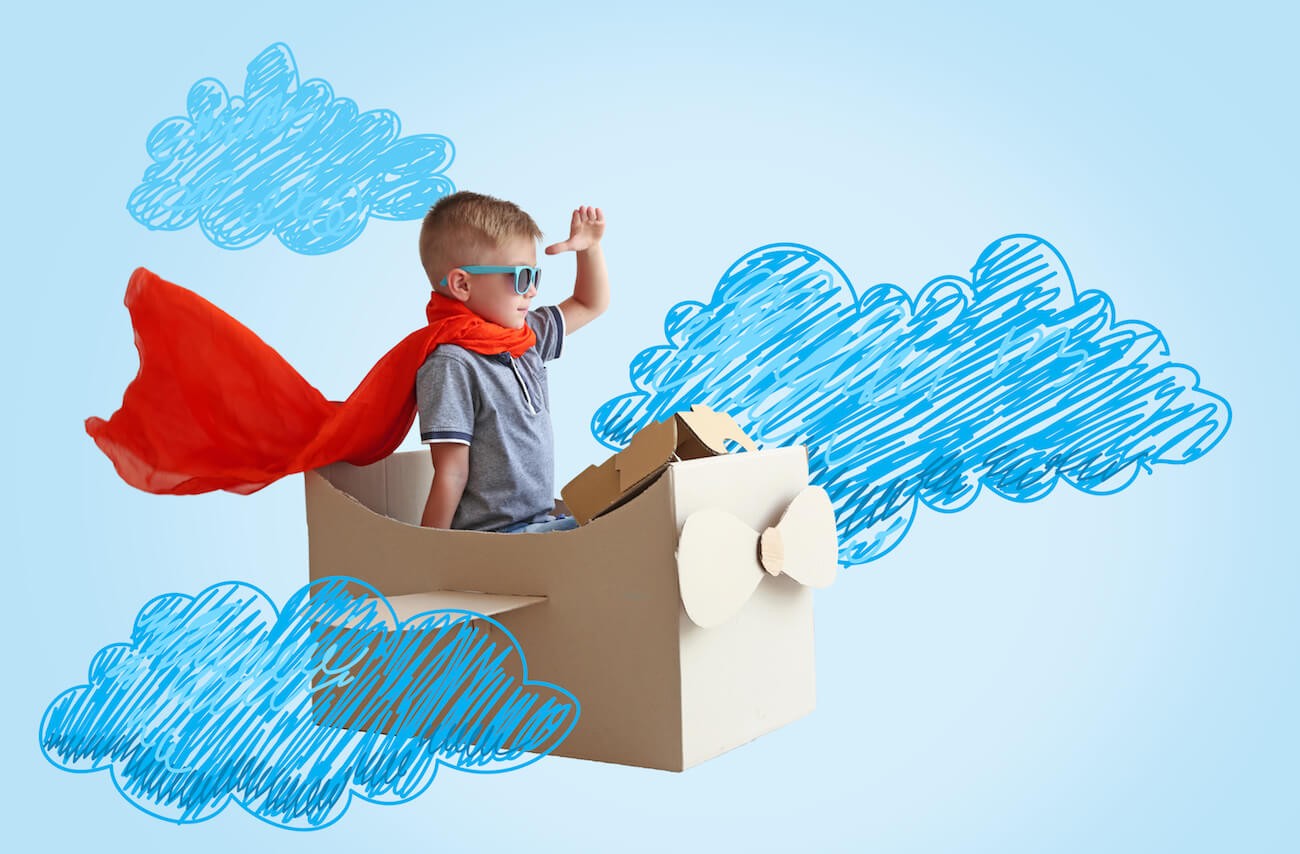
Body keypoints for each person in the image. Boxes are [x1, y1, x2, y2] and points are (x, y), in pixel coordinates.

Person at [414, 192, 609, 533]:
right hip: (497, 536)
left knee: (622, 518)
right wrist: (430, 557)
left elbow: (589, 303)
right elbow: (451, 471)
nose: (532, 291)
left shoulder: (524, 336)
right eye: (521, 277)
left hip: (539, 522)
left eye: (535, 277)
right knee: (617, 533)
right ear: (463, 284)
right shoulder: (451, 363)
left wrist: (589, 250)